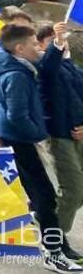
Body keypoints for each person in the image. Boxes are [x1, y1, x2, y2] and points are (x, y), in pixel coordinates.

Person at [0, 21, 83, 272]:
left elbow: (48, 64)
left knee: (44, 197)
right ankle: (53, 252)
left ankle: (58, 247)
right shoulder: (16, 76)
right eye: (34, 44)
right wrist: (40, 134)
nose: (37, 48)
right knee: (43, 198)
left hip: (22, 139)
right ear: (20, 48)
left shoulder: (20, 66)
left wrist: (56, 45)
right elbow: (16, 115)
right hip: (20, 141)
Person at [43, 28, 83, 245]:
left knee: (78, 191)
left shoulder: (73, 66)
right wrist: (56, 44)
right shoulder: (49, 66)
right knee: (74, 190)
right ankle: (55, 239)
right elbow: (49, 69)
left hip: (80, 135)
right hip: (61, 135)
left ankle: (45, 218)